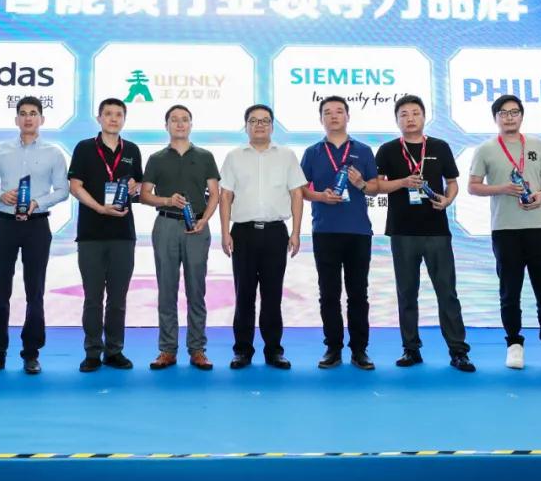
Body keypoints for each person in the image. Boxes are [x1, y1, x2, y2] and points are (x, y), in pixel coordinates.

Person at [375, 95, 474, 372]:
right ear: (397, 120)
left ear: (424, 116)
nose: (410, 118)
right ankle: (411, 349)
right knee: (407, 293)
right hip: (402, 231)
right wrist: (403, 182)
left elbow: (452, 183)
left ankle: (458, 351)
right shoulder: (387, 150)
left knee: (447, 293)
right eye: (404, 114)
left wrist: (448, 200)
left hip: (437, 231)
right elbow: (376, 187)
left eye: (415, 113)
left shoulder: (440, 147)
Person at [468, 94, 541, 372]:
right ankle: (514, 343)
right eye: (503, 112)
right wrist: (502, 188)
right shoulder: (486, 149)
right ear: (495, 118)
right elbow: (473, 186)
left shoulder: (538, 145)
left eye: (514, 112)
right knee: (509, 291)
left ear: (522, 116)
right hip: (505, 230)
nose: (509, 117)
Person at [0, 96, 68, 376]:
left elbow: (63, 190)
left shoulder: (54, 153)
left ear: (42, 119)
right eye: (23, 113)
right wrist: (0, 195)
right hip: (5, 224)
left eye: (33, 113)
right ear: (16, 119)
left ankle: (31, 353)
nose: (28, 118)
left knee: (35, 291)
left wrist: (38, 202)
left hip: (37, 225)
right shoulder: (0, 151)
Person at [219, 104, 306, 370]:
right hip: (243, 234)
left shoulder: (287, 155)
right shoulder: (234, 157)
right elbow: (225, 196)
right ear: (246, 126)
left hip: (275, 233)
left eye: (265, 121)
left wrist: (296, 232)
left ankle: (274, 351)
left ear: (272, 125)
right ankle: (242, 351)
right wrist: (224, 232)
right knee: (244, 295)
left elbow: (297, 194)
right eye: (254, 121)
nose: (259, 125)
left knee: (272, 295)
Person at [299, 96, 378, 370]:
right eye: (328, 112)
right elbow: (300, 190)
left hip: (358, 232)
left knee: (358, 293)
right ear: (321, 118)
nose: (334, 116)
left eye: (339, 111)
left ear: (348, 116)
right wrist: (320, 196)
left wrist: (361, 183)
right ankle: (332, 348)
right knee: (329, 293)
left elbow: (375, 188)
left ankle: (360, 350)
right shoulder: (312, 152)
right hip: (325, 231)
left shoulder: (363, 150)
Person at [140, 104, 220, 370]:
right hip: (166, 225)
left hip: (196, 226)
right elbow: (144, 195)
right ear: (166, 126)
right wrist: (167, 200)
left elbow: (215, 193)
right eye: (174, 119)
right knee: (167, 290)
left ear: (191, 124)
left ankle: (197, 349)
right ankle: (167, 350)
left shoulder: (205, 156)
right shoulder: (156, 158)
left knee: (197, 290)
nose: (180, 123)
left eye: (185, 119)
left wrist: (205, 220)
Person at [68, 98, 144, 372]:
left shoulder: (132, 150)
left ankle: (114, 350)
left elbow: (139, 187)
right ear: (99, 118)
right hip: (91, 233)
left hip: (123, 234)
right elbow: (75, 186)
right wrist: (100, 208)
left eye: (118, 114)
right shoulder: (84, 148)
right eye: (108, 114)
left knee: (118, 298)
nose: (113, 118)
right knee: (92, 297)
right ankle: (92, 352)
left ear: (124, 119)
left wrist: (135, 187)